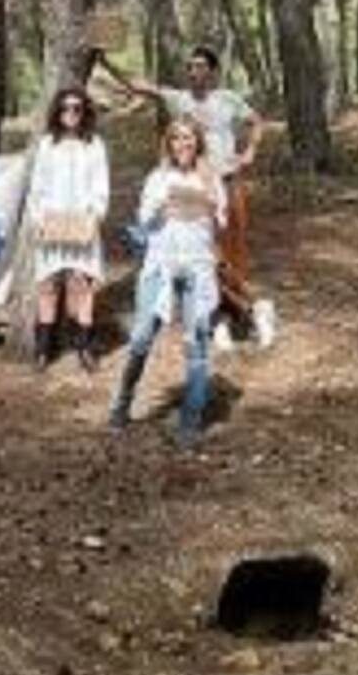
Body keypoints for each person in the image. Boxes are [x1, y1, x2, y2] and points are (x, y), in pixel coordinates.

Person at [104, 45, 275, 349]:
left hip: (228, 183)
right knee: (206, 254)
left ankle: (250, 309)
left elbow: (257, 122)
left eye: (200, 66)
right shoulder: (178, 99)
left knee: (232, 254)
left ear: (212, 71)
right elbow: (137, 86)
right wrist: (104, 59)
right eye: (190, 67)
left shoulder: (227, 99)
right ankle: (226, 317)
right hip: (195, 188)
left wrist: (248, 151)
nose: (194, 72)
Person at [110, 117, 228, 446]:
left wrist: (213, 204)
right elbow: (143, 226)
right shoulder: (157, 178)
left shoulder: (211, 178)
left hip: (198, 271)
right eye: (176, 139)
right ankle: (120, 404)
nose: (183, 144)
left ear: (198, 142)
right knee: (140, 339)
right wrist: (160, 209)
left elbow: (221, 223)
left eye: (188, 138)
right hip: (159, 268)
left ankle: (190, 422)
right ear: (169, 143)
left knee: (197, 346)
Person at [27, 85, 109, 372]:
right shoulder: (47, 144)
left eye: (76, 108)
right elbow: (36, 187)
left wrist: (96, 215)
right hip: (52, 221)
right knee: (48, 284)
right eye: (65, 108)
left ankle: (84, 347)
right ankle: (42, 349)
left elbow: (101, 186)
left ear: (84, 111)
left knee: (81, 283)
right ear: (57, 112)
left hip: (83, 223)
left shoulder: (94, 144)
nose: (70, 113)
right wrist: (39, 219)